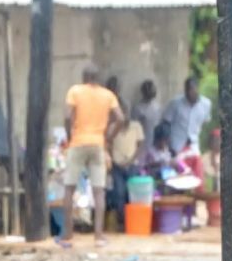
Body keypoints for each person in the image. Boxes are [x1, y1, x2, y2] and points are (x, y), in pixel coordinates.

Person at [62, 64, 124, 248]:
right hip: (98, 144)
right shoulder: (108, 95)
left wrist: (69, 136)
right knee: (99, 191)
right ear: (97, 78)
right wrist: (108, 137)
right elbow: (120, 118)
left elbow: (67, 116)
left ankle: (68, 234)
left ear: (83, 77)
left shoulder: (75, 91)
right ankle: (98, 236)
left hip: (78, 142)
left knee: (69, 189)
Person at [107, 108, 144, 222]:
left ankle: (132, 220)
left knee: (132, 193)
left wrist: (130, 161)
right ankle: (122, 221)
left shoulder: (136, 126)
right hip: (117, 166)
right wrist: (113, 160)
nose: (124, 116)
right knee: (119, 193)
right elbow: (109, 145)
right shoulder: (112, 128)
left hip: (132, 165)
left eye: (126, 113)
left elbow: (140, 146)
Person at [163, 76, 212, 154]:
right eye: (187, 89)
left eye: (192, 89)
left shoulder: (206, 104)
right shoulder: (175, 103)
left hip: (193, 144)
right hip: (176, 144)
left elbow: (205, 121)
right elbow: (166, 122)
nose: (189, 92)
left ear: (197, 88)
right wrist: (167, 142)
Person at [131, 80, 161, 161]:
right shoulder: (138, 108)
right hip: (142, 142)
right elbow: (134, 127)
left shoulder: (156, 106)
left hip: (154, 141)